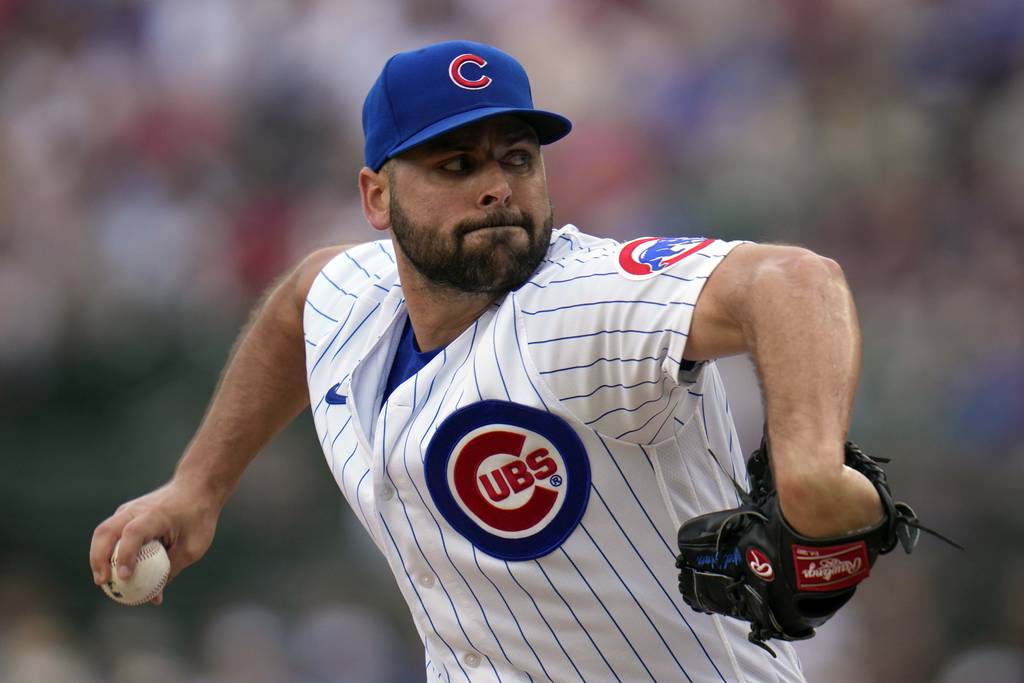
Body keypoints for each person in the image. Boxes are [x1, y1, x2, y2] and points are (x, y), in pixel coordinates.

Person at [90, 40, 883, 682]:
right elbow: (299, 300)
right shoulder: (356, 300)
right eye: (456, 166)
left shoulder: (579, 304)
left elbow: (792, 280)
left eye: (517, 158)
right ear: (376, 198)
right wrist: (197, 486)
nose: (498, 187)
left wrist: (808, 469)